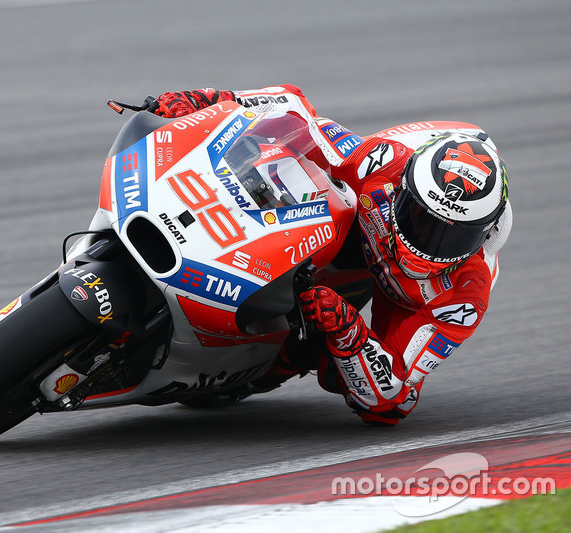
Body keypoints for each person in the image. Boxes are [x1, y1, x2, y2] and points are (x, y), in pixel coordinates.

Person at [151, 85, 512, 425]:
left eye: (452, 237)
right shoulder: (380, 164)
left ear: (485, 233)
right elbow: (294, 108)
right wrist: (211, 101)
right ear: (403, 189)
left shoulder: (464, 296)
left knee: (382, 406)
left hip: (399, 299)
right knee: (268, 158)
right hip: (355, 230)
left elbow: (389, 395)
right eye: (419, 219)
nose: (429, 243)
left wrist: (348, 332)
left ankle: (259, 370)